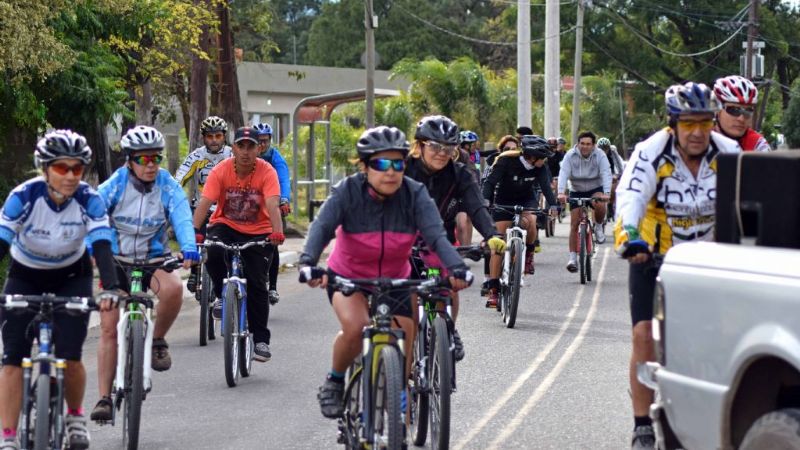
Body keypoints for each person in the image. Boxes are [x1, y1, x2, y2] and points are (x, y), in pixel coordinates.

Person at [297, 126, 472, 419]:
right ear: (364, 167)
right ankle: (335, 382)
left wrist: (456, 267)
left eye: (398, 164)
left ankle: (398, 392)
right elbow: (322, 228)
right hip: (348, 276)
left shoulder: (414, 194)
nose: (390, 172)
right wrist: (307, 262)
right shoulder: (348, 191)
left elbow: (436, 237)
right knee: (355, 326)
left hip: (396, 278)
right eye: (381, 164)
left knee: (405, 331)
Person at [614, 82, 740, 449]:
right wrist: (629, 239)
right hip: (653, 257)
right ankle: (641, 426)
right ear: (673, 124)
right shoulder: (651, 152)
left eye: (704, 122)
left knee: (724, 338)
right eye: (688, 124)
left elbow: (750, 201)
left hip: (707, 260)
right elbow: (631, 198)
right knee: (642, 336)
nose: (698, 132)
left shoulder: (728, 153)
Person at [0, 130, 122, 450]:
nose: (70, 176)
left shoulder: (89, 199)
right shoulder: (23, 196)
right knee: (12, 358)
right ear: (45, 169)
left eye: (77, 169)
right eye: (61, 168)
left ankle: (75, 416)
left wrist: (110, 288)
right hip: (25, 276)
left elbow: (102, 245)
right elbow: (2, 241)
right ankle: (9, 437)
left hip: (72, 275)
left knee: (70, 355)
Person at [90, 125, 199, 422]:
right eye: (143, 159)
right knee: (110, 326)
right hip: (116, 259)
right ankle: (103, 398)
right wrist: (90, 247)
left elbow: (181, 214)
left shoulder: (167, 185)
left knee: (175, 288)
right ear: (129, 160)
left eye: (156, 158)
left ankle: (158, 340)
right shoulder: (115, 184)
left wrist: (189, 245)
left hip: (153, 257)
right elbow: (94, 214)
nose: (151, 165)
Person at [405, 116, 504, 360]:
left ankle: (447, 328)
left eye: (448, 148)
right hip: (401, 238)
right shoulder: (404, 168)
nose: (441, 153)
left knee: (448, 284)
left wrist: (491, 234)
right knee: (408, 308)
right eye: (435, 146)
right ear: (419, 145)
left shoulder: (459, 173)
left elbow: (476, 206)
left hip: (437, 236)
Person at [192, 126, 285, 362]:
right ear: (233, 148)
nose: (245, 152)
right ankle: (222, 296)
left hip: (258, 231)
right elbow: (206, 203)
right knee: (211, 252)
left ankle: (261, 340)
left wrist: (277, 232)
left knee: (257, 284)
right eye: (240, 146)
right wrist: (192, 233)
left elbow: (273, 204)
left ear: (259, 148)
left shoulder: (267, 171)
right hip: (226, 225)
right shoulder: (221, 170)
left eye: (250, 146)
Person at [482, 135, 558, 307]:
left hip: (526, 200)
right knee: (498, 244)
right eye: (542, 157)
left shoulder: (540, 166)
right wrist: (486, 201)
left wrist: (553, 205)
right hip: (503, 200)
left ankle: (529, 254)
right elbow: (489, 183)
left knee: (531, 219)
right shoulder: (505, 161)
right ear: (532, 156)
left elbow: (546, 186)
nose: (544, 160)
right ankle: (493, 290)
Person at [174, 116, 232, 294]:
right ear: (203, 137)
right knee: (196, 239)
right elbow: (179, 178)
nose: (214, 140)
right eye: (209, 136)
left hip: (227, 211)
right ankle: (195, 270)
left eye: (218, 136)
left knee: (227, 247)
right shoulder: (196, 156)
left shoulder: (233, 155)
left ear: (224, 136)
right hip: (202, 208)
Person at [557, 131, 612, 273]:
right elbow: (563, 173)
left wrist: (606, 193)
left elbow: (606, 173)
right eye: (582, 143)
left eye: (588, 144)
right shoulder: (570, 155)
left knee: (600, 204)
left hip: (595, 188)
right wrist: (561, 192)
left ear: (593, 145)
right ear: (578, 144)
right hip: (576, 189)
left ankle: (598, 226)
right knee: (574, 224)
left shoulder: (600, 155)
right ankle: (573, 257)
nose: (585, 147)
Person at [254, 122, 292, 306]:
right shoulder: (245, 156)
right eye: (258, 141)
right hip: (249, 207)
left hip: (270, 206)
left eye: (265, 141)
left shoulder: (275, 158)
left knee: (272, 244)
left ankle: (273, 287)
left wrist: (284, 200)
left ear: (270, 140)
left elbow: (284, 180)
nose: (261, 145)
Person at [713, 75, 771, 152]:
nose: (741, 118)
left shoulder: (756, 143)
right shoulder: (702, 138)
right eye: (733, 110)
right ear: (717, 110)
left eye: (747, 111)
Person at [455, 130, 481, 246]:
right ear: (465, 145)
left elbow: (475, 173)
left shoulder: (474, 155)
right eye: (473, 144)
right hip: (453, 192)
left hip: (467, 190)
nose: (475, 147)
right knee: (460, 222)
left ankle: (467, 247)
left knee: (468, 219)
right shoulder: (458, 154)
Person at [597, 137, 626, 223]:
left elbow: (619, 164)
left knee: (613, 188)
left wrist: (618, 175)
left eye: (606, 148)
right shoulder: (594, 152)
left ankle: (610, 204)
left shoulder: (613, 151)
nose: (604, 150)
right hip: (598, 173)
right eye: (601, 148)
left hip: (611, 172)